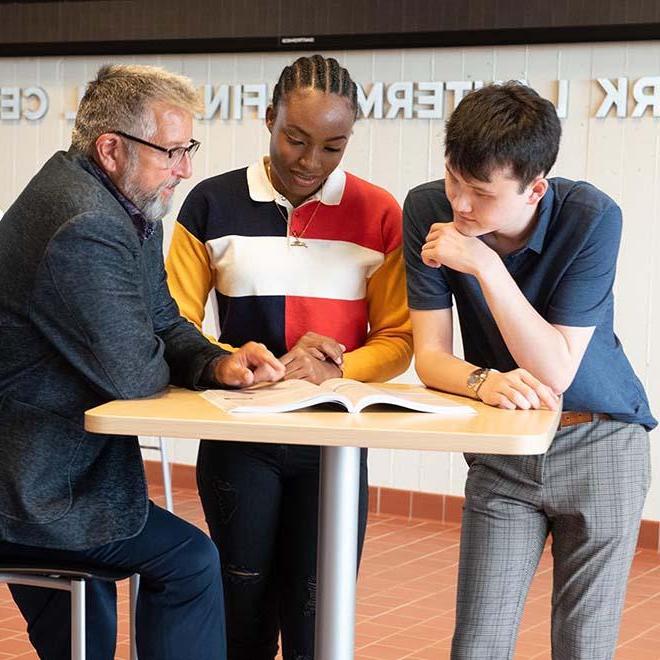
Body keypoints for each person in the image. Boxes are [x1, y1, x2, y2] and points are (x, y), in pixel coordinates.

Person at [0, 64, 284, 660]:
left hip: (64, 471)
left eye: (189, 149)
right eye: (173, 152)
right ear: (110, 149)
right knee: (190, 564)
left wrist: (215, 363)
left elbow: (159, 318)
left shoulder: (128, 202)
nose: (185, 168)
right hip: (32, 487)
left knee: (97, 620)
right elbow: (133, 374)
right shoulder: (85, 224)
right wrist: (158, 352)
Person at [165, 54, 413, 660]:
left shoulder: (379, 213)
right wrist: (231, 359)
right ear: (268, 117)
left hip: (333, 443)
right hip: (238, 439)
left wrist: (343, 366)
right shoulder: (210, 203)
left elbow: (400, 339)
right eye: (294, 139)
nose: (309, 162)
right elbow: (172, 323)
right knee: (240, 614)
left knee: (316, 620)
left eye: (333, 146)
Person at [403, 81, 655, 659]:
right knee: (477, 647)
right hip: (505, 448)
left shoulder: (592, 217)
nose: (460, 205)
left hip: (603, 442)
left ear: (535, 188)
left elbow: (556, 369)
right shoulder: (426, 209)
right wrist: (484, 381)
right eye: (453, 181)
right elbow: (432, 357)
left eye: (480, 193)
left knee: (582, 648)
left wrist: (486, 267)